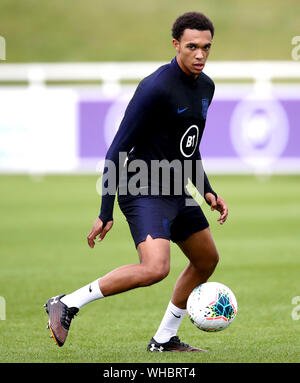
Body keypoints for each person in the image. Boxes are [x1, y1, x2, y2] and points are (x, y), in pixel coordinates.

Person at [44, 11, 228, 352]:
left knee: (206, 260)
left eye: (206, 47)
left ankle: (163, 339)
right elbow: (116, 149)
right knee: (155, 268)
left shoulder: (206, 87)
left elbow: (189, 145)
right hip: (141, 188)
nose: (200, 54)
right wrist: (105, 209)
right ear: (176, 45)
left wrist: (207, 190)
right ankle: (67, 303)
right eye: (192, 46)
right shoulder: (155, 87)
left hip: (175, 188)